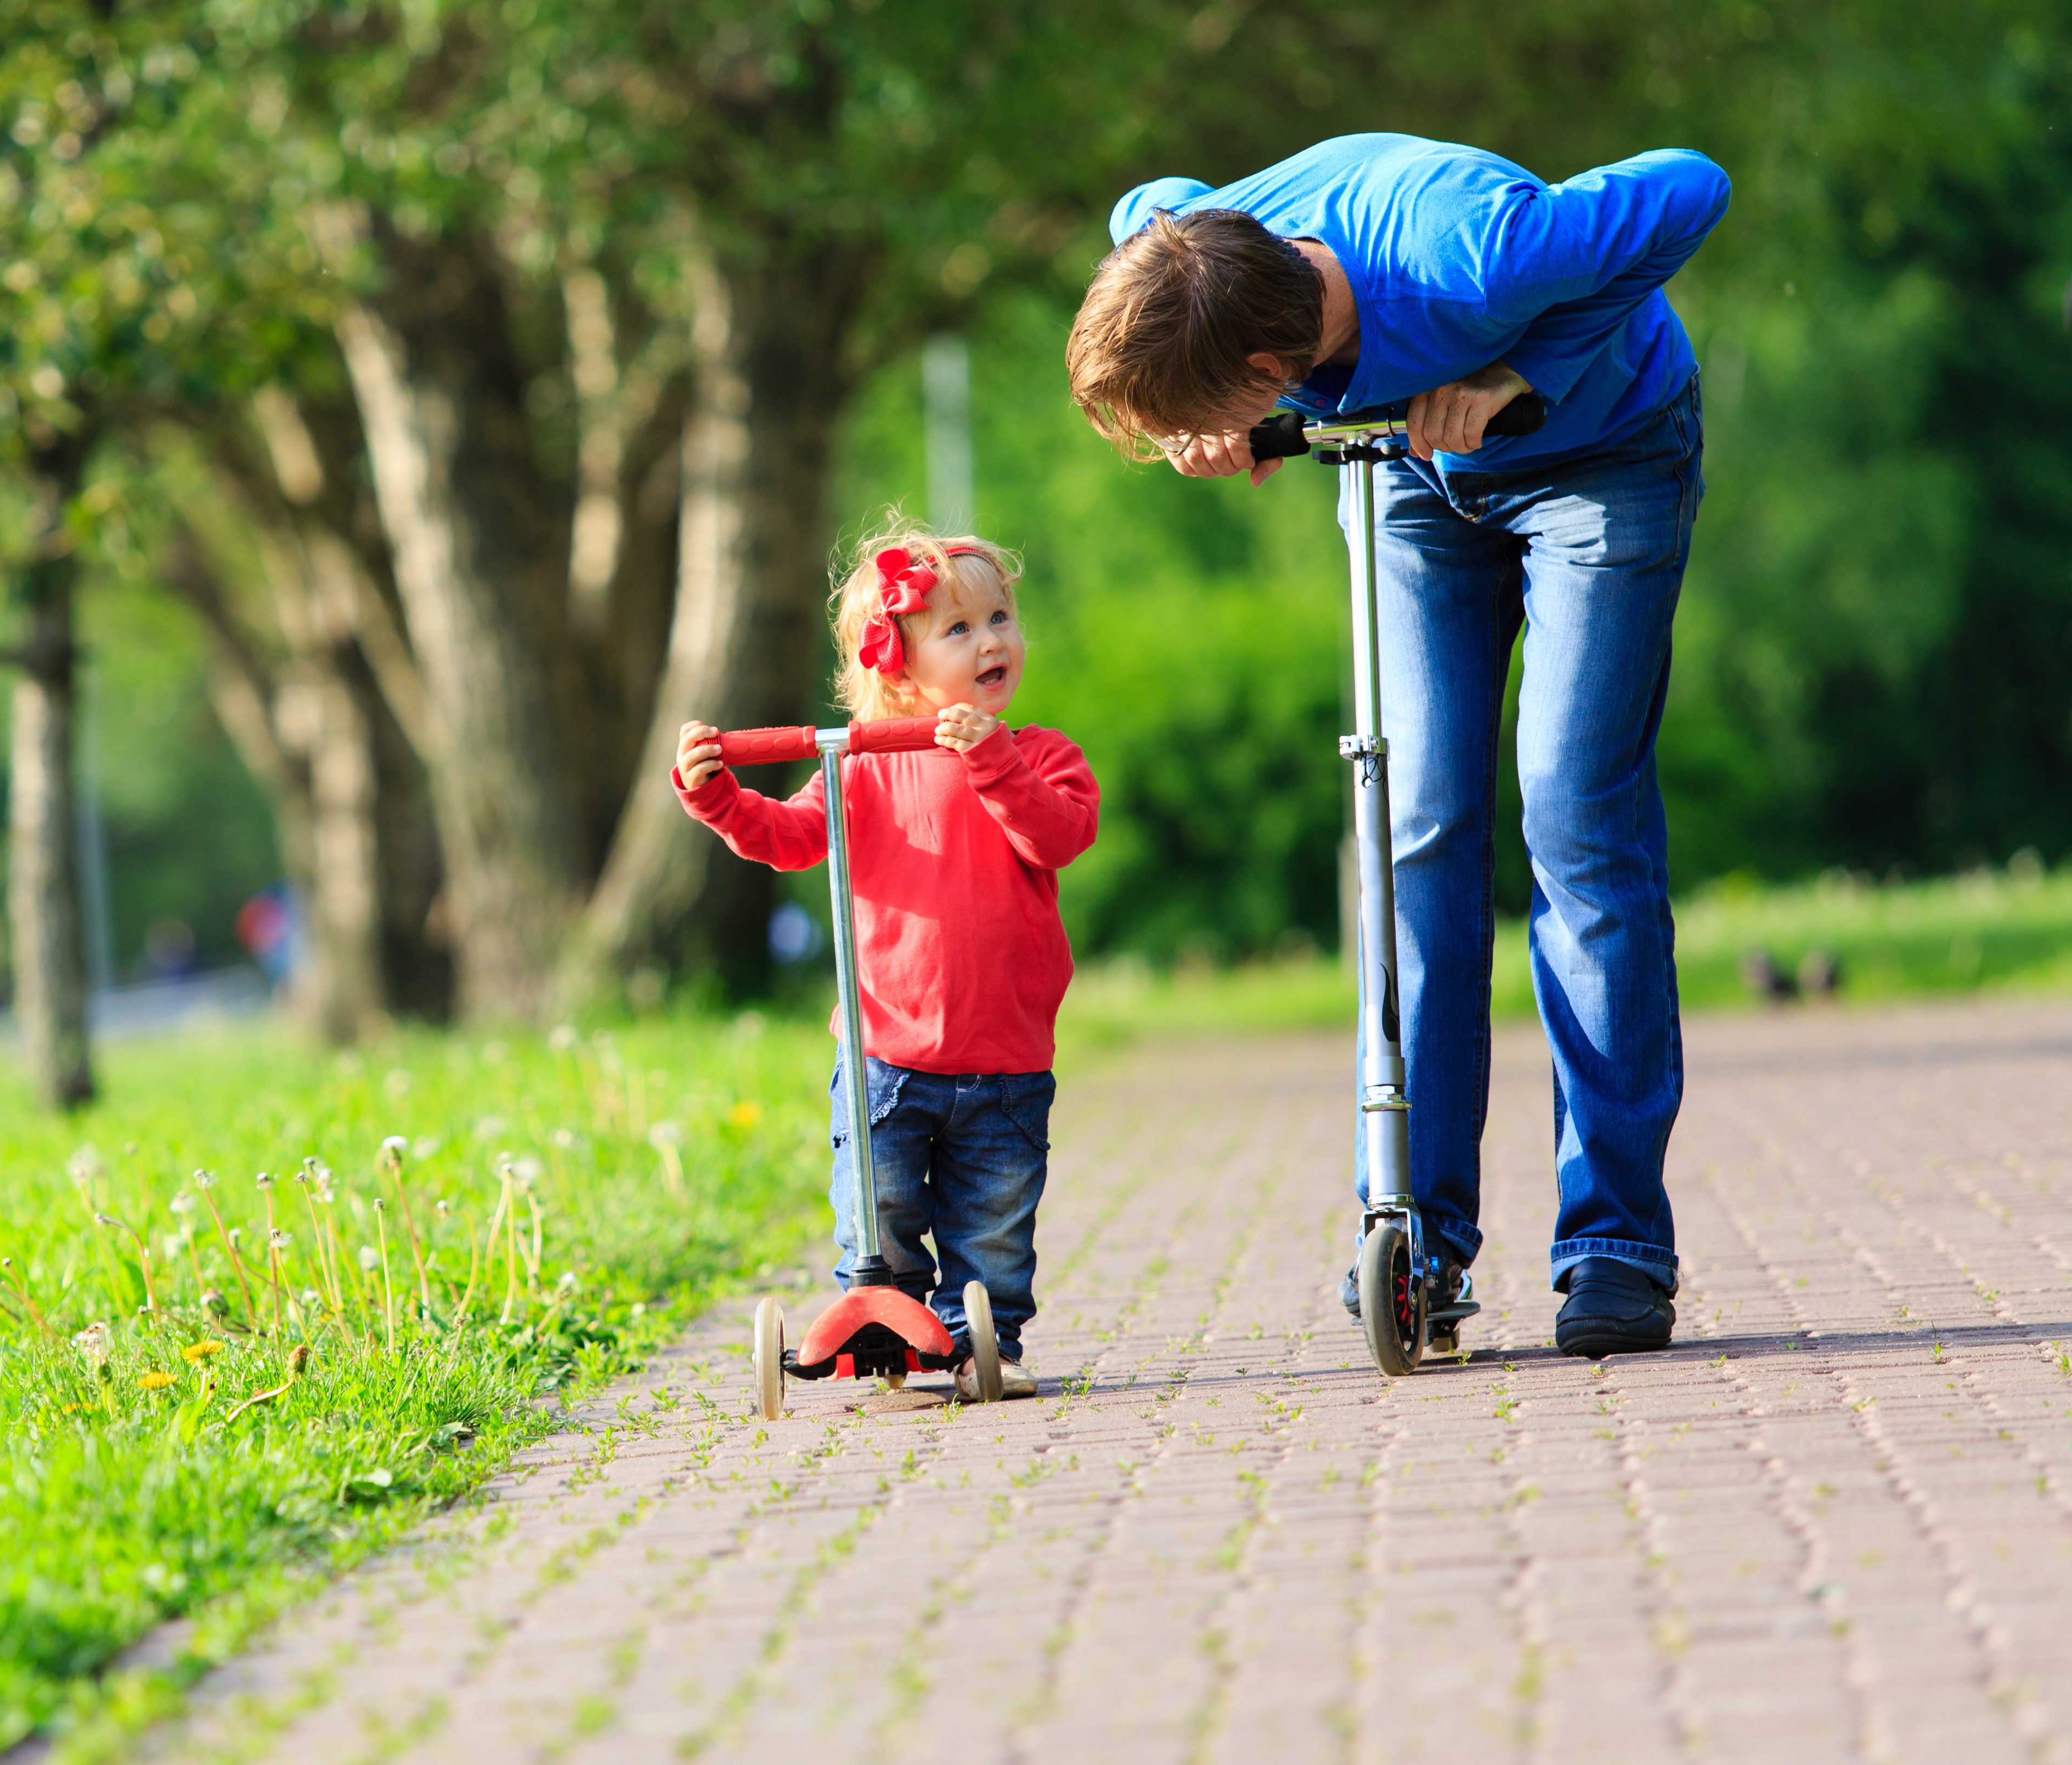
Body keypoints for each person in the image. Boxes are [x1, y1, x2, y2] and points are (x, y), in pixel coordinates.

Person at [1065, 134, 1732, 1358]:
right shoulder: (1189, 242)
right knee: (1414, 821)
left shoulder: (1474, 256)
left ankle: (1616, 1245)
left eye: (1208, 413)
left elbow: (1691, 187)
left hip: (1602, 458)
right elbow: (1136, 205)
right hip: (1416, 481)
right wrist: (1195, 426)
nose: (1189, 441)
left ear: (1270, 365)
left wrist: (1527, 364)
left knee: (1573, 813)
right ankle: (1416, 1231)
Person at [672, 532, 1099, 1398]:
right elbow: (791, 842)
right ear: (899, 670)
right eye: (959, 629)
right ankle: (888, 1328)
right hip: (886, 1051)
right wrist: (719, 798)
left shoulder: (1040, 755)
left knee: (995, 1224)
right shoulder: (860, 771)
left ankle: (988, 1341)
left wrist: (989, 757)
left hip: (1006, 1054)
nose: (992, 642)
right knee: (881, 1212)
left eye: (1001, 620)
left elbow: (1056, 834)